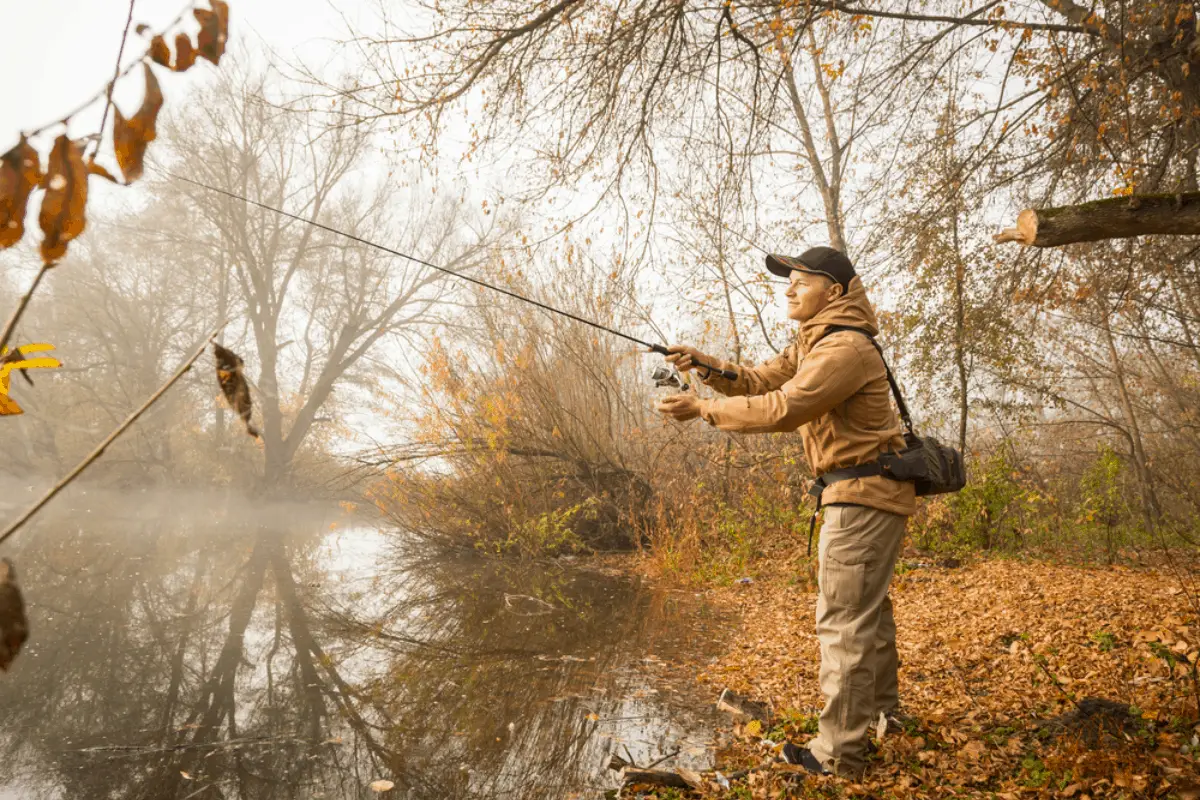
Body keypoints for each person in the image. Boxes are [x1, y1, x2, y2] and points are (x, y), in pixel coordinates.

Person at [656, 246, 916, 778]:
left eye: (802, 281)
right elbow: (758, 380)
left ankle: (838, 754)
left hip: (862, 498)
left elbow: (783, 408)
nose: (790, 289)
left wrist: (702, 408)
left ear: (834, 292)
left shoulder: (843, 348)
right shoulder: (815, 342)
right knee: (867, 616)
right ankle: (883, 716)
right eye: (788, 281)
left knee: (844, 624)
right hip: (865, 494)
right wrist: (705, 366)